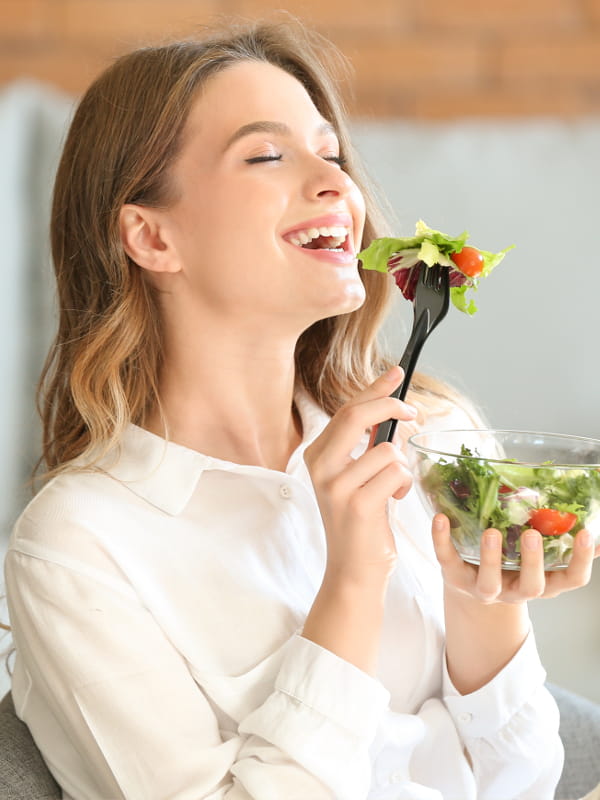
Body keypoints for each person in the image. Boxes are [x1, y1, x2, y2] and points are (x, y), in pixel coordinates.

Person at [3, 16, 597, 800]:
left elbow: (524, 780)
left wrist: (476, 597)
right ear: (149, 237)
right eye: (268, 154)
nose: (337, 185)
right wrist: (351, 580)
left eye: (332, 152)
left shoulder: (434, 438)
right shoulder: (82, 545)